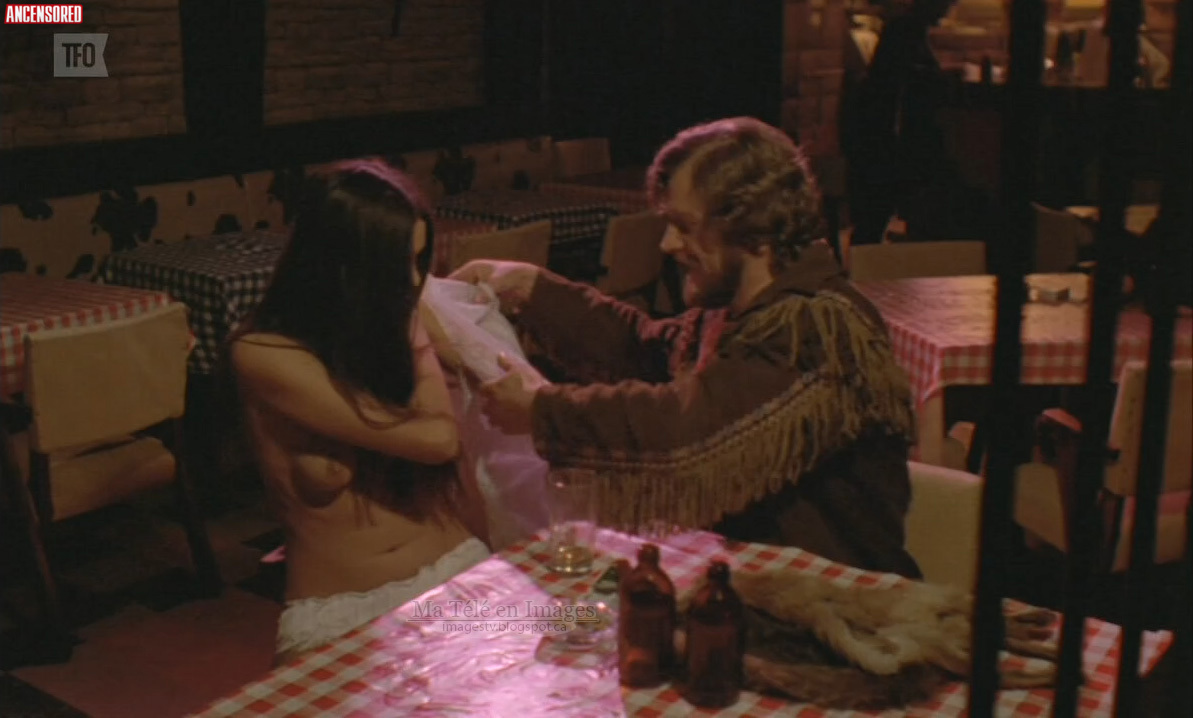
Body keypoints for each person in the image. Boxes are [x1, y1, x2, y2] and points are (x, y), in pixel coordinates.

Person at [449, 118, 923, 578]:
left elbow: (687, 427)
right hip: (747, 583)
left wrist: (543, 411)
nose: (667, 243)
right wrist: (532, 289)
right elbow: (645, 349)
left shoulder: (816, 326)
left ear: (748, 224)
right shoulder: (737, 311)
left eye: (684, 225)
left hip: (833, 599)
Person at [228, 159, 489, 664]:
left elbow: (445, 435)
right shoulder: (262, 354)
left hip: (455, 573)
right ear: (342, 265)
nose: (413, 281)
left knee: (593, 636)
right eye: (398, 264)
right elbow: (435, 441)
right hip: (345, 612)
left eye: (418, 260)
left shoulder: (397, 324)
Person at [841, 0, 969, 246]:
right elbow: (899, 81)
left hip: (883, 136)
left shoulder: (906, 29)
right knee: (878, 210)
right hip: (888, 137)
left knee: (877, 213)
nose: (947, 12)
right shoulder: (907, 30)